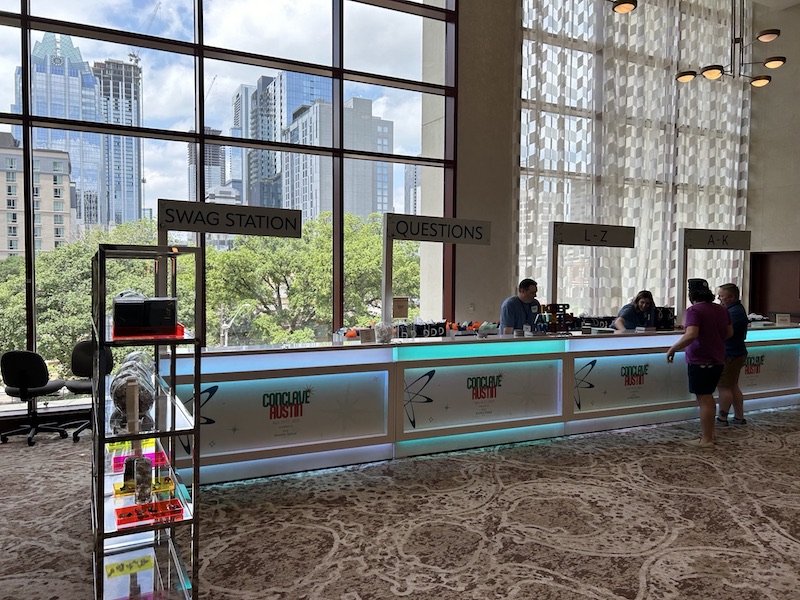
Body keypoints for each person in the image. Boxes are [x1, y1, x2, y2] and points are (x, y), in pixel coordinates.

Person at [666, 279, 732, 448]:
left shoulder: (694, 310)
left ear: (691, 294)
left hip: (700, 359)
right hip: (717, 358)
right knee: (708, 396)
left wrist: (673, 348)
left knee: (704, 398)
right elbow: (729, 332)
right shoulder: (721, 309)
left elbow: (691, 334)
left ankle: (707, 439)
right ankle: (708, 435)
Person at [716, 283, 748, 426]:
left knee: (724, 387)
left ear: (732, 297)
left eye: (721, 296)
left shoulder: (733, 312)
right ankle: (739, 416)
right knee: (733, 385)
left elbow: (724, 333)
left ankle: (722, 418)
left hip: (730, 354)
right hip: (737, 352)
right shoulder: (737, 310)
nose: (719, 298)